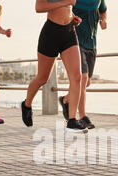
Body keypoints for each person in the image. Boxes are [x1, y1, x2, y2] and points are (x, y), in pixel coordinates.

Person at [21, 0, 87, 133]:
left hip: (69, 31)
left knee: (77, 77)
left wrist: (71, 15)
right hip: (51, 34)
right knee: (42, 78)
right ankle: (26, 104)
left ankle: (72, 121)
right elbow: (39, 7)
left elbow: (67, 6)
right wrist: (65, 3)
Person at [59, 0, 107, 130]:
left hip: (92, 44)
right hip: (75, 42)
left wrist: (103, 20)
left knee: (86, 83)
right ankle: (82, 117)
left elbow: (103, 11)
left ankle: (66, 99)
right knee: (82, 78)